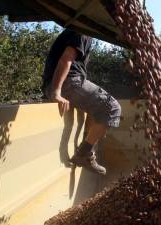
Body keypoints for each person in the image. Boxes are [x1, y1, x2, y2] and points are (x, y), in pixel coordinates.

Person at [42, 28, 122, 175]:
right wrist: (56, 92)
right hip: (69, 82)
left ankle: (86, 148)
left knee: (100, 109)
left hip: (66, 82)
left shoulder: (78, 30)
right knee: (112, 108)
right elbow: (66, 59)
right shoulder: (83, 30)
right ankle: (84, 154)